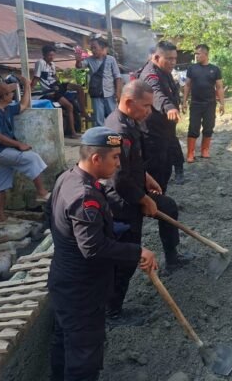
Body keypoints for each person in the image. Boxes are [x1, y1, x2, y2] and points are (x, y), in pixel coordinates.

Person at [48, 126, 158, 381]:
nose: (119, 163)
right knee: (84, 357)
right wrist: (137, 251)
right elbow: (93, 247)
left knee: (64, 342)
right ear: (96, 158)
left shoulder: (67, 178)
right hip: (82, 291)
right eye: (115, 157)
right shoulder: (84, 196)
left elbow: (54, 221)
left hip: (65, 282)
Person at [103, 80, 192, 325]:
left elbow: (132, 162)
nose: (149, 111)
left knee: (168, 206)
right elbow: (118, 178)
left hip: (135, 187)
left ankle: (172, 258)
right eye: (145, 106)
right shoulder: (117, 131)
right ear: (129, 102)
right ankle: (113, 312)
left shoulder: (131, 121)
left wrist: (146, 176)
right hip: (121, 200)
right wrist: (143, 200)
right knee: (128, 255)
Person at [0, 75, 49, 222]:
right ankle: (41, 192)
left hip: (4, 151)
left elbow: (24, 105)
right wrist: (18, 144)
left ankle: (0, 216)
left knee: (0, 184)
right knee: (32, 158)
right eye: (10, 93)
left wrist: (27, 86)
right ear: (3, 96)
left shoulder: (6, 109)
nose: (12, 95)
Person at [138, 41, 181, 193]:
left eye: (174, 58)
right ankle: (153, 201)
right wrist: (169, 107)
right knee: (156, 170)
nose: (173, 62)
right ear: (156, 57)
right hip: (152, 132)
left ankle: (160, 197)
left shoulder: (164, 71)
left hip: (165, 130)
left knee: (166, 167)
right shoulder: (150, 74)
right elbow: (156, 93)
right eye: (169, 58)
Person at [181, 44, 225, 163]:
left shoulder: (215, 69)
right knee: (193, 128)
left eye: (198, 53)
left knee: (209, 127)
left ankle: (205, 150)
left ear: (206, 54)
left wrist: (222, 103)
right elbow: (187, 85)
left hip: (210, 104)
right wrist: (184, 101)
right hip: (196, 103)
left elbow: (219, 87)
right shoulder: (192, 68)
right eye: (195, 53)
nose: (196, 56)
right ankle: (190, 153)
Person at [33, 44, 87, 138]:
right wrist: (29, 89)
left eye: (53, 55)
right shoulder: (40, 63)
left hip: (57, 85)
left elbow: (54, 77)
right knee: (69, 106)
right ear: (44, 55)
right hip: (51, 90)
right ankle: (73, 132)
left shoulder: (52, 64)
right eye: (49, 55)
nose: (51, 57)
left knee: (79, 88)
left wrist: (61, 83)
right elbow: (36, 78)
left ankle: (83, 112)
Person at [75, 37, 123, 127]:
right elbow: (79, 66)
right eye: (91, 48)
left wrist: (118, 93)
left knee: (113, 118)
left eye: (95, 48)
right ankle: (100, 135)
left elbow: (117, 77)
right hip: (96, 94)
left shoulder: (111, 59)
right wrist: (78, 60)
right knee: (98, 120)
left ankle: (114, 134)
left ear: (102, 48)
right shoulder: (89, 60)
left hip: (109, 93)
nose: (93, 50)